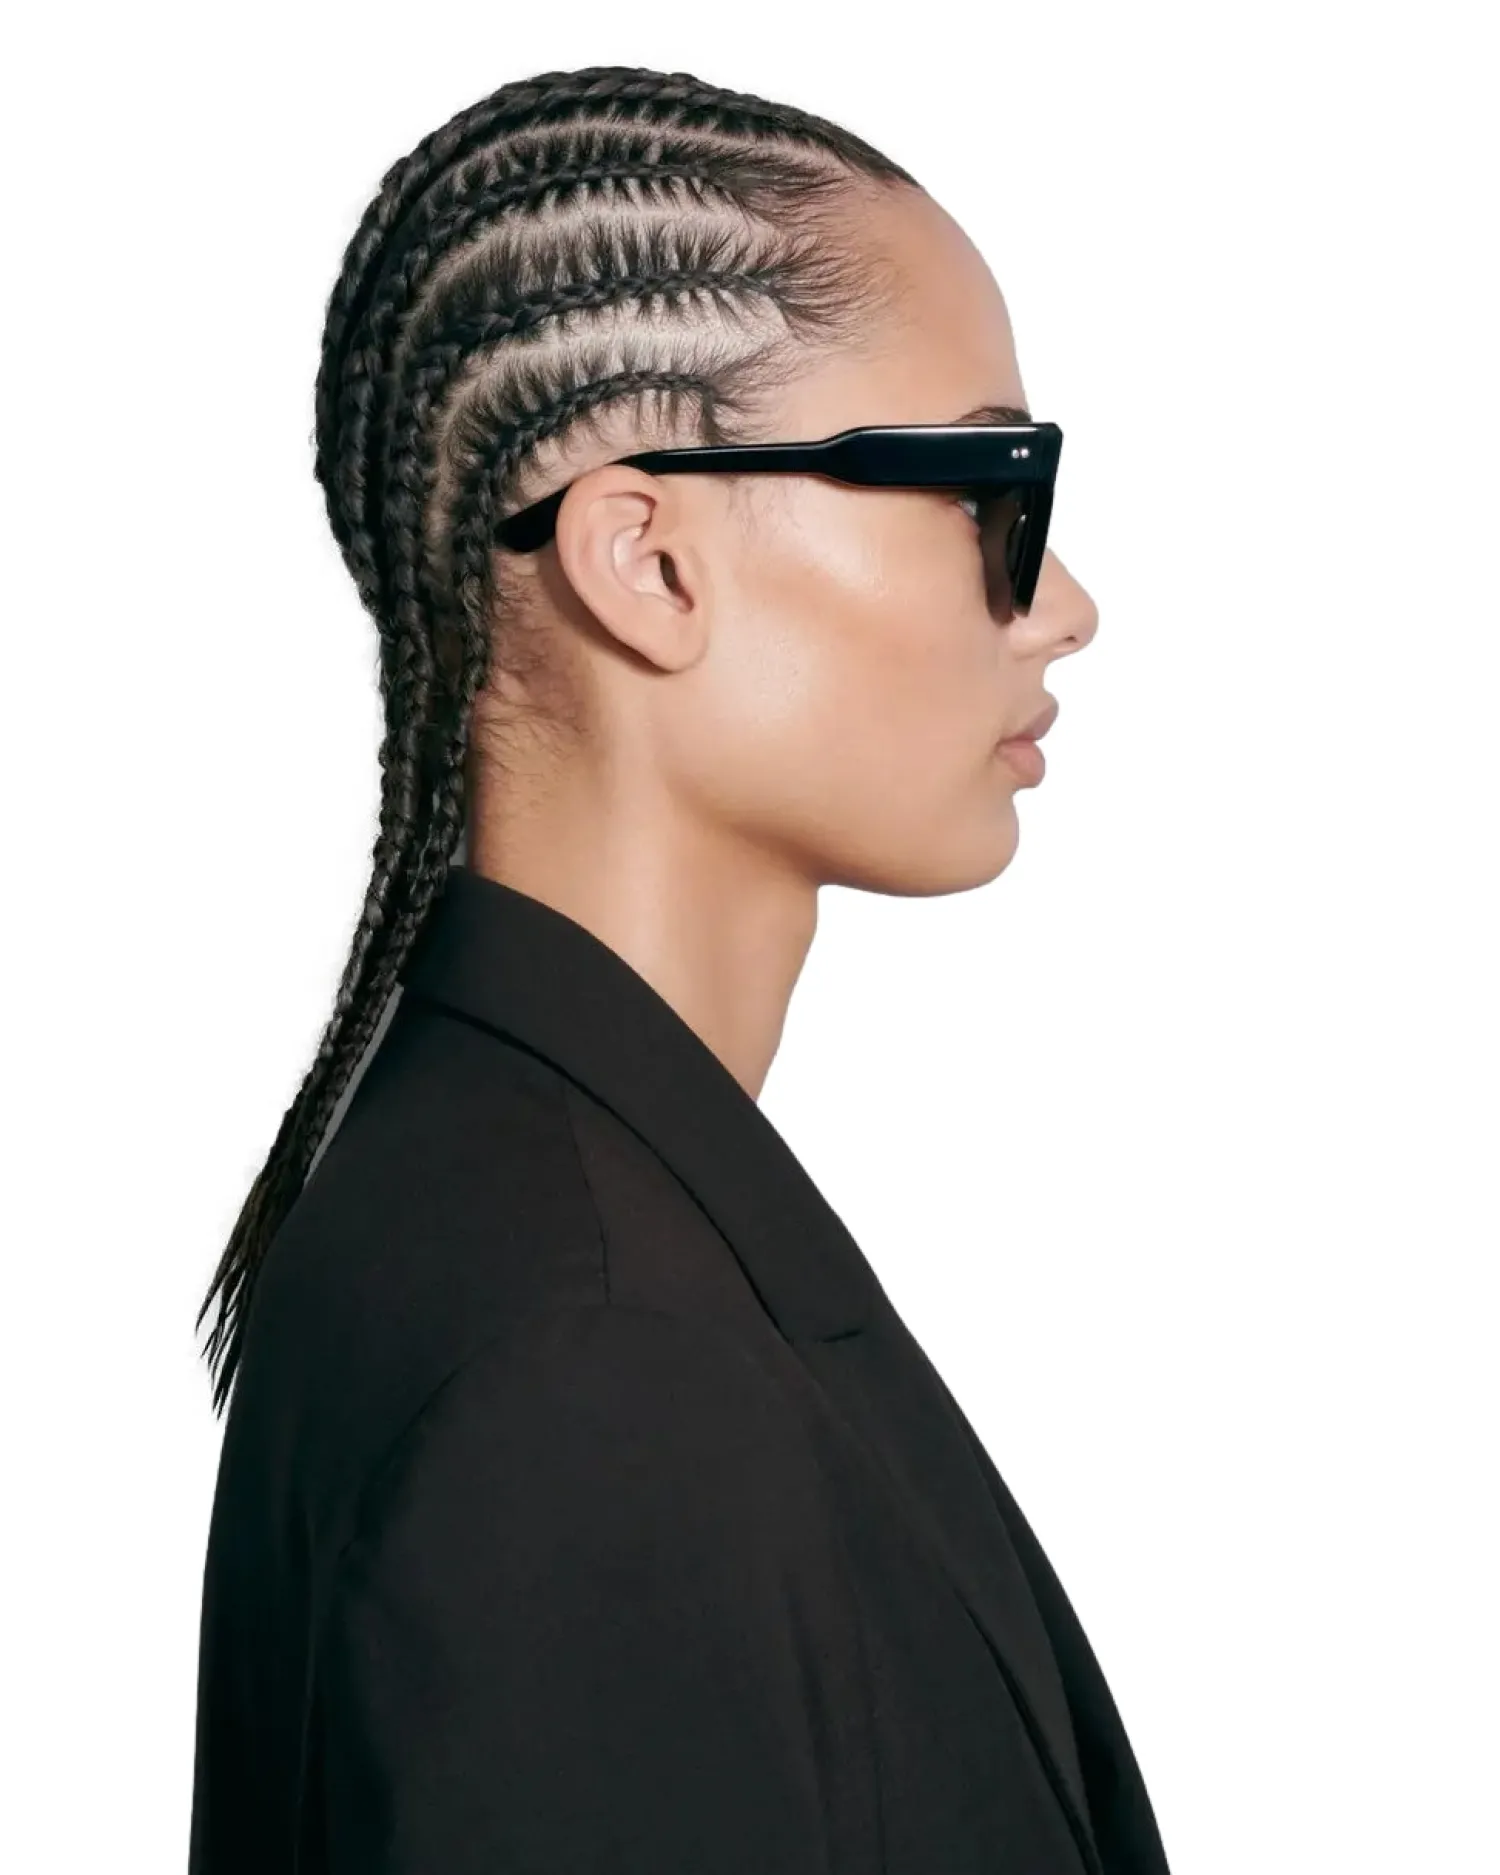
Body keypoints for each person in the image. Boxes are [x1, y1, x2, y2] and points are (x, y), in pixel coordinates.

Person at [188, 61, 1171, 1875]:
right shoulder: (588, 1365)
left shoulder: (522, 1213)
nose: (1062, 601)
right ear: (645, 561)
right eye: (988, 486)